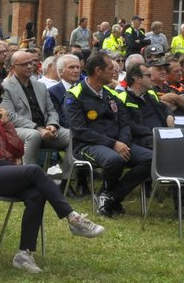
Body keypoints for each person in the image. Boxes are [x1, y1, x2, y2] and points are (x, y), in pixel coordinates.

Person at [0, 75, 103, 272]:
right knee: (34, 170)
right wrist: (4, 154)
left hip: (3, 172)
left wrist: (8, 126)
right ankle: (73, 218)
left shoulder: (0, 123)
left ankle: (24, 254)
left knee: (36, 193)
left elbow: (18, 151)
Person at [64, 52, 151, 217]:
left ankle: (109, 195)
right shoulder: (75, 95)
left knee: (150, 158)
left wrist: (123, 142)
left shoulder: (111, 95)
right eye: (111, 68)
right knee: (114, 160)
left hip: (118, 143)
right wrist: (113, 144)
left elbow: (125, 122)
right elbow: (80, 131)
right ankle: (110, 198)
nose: (114, 72)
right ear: (98, 70)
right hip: (87, 145)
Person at [2, 47, 71, 169]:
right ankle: (29, 176)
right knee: (33, 135)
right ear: (13, 67)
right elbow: (11, 116)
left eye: (31, 63)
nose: (29, 66)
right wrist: (38, 129)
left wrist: (53, 125)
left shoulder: (40, 86)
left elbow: (51, 110)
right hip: (20, 129)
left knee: (72, 135)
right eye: (24, 64)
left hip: (45, 128)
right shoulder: (5, 87)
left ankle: (68, 180)